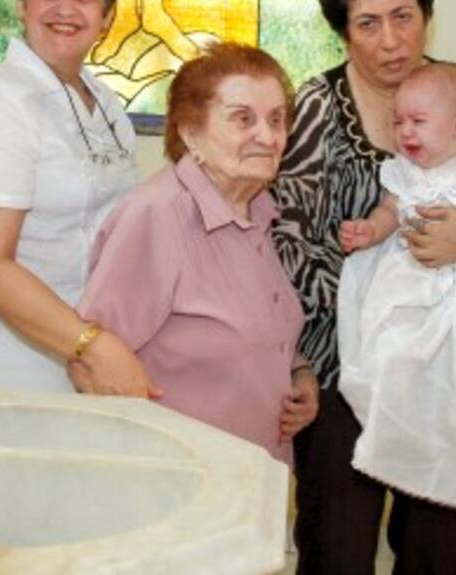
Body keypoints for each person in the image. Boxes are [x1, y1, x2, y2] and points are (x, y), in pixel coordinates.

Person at [271, 0, 456, 575]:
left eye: (404, 16)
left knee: (441, 549)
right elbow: (285, 241)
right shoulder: (317, 106)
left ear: (427, 14)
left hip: (450, 366)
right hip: (343, 367)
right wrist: (373, 297)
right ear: (342, 28)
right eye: (368, 23)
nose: (390, 40)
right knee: (337, 547)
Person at [74, 43, 318, 463]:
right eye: (243, 119)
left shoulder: (259, 209)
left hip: (251, 473)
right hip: (180, 480)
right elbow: (88, 363)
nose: (268, 137)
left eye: (277, 119)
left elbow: (245, 330)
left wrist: (298, 374)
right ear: (190, 133)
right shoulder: (158, 216)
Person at [0, 0, 154, 396]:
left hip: (92, 357)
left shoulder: (105, 104)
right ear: (21, 3)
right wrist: (91, 346)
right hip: (15, 365)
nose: (65, 8)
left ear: (107, 15)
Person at [336, 62, 456, 516]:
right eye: (399, 121)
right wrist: (370, 230)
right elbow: (390, 212)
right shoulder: (404, 173)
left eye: (418, 121)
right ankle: (395, 428)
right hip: (410, 286)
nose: (405, 131)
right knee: (394, 352)